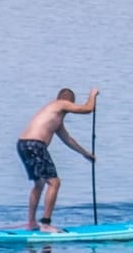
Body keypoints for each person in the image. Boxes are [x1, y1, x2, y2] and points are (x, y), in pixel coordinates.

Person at [17, 87, 98, 231]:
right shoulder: (60, 103)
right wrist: (93, 94)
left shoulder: (55, 118)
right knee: (54, 182)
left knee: (39, 184)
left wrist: (85, 153)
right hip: (35, 145)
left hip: (23, 144)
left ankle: (31, 223)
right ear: (70, 102)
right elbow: (88, 109)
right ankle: (46, 224)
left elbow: (68, 140)